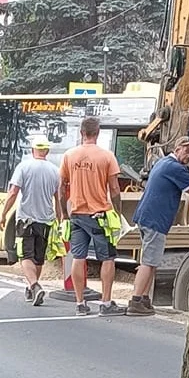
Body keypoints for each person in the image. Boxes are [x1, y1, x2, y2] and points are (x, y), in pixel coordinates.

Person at [128, 136, 189, 316]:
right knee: (149, 262)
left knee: (152, 261)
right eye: (187, 151)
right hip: (155, 219)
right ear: (177, 148)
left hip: (147, 217)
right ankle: (135, 301)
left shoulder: (162, 163)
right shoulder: (174, 168)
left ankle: (143, 299)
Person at [58, 116, 125, 316]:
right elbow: (114, 189)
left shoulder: (69, 156)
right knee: (108, 258)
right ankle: (105, 303)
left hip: (77, 214)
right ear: (98, 133)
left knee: (78, 256)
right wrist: (117, 213)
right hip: (100, 215)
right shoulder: (107, 157)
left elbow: (62, 188)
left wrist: (64, 213)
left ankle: (80, 303)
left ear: (81, 133)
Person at [0, 137, 64, 306]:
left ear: (32, 150)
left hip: (26, 219)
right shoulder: (55, 171)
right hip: (46, 221)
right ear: (47, 151)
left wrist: (4, 214)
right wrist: (60, 219)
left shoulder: (24, 167)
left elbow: (13, 192)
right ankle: (31, 287)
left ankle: (34, 285)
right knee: (38, 257)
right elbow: (58, 199)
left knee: (25, 255)